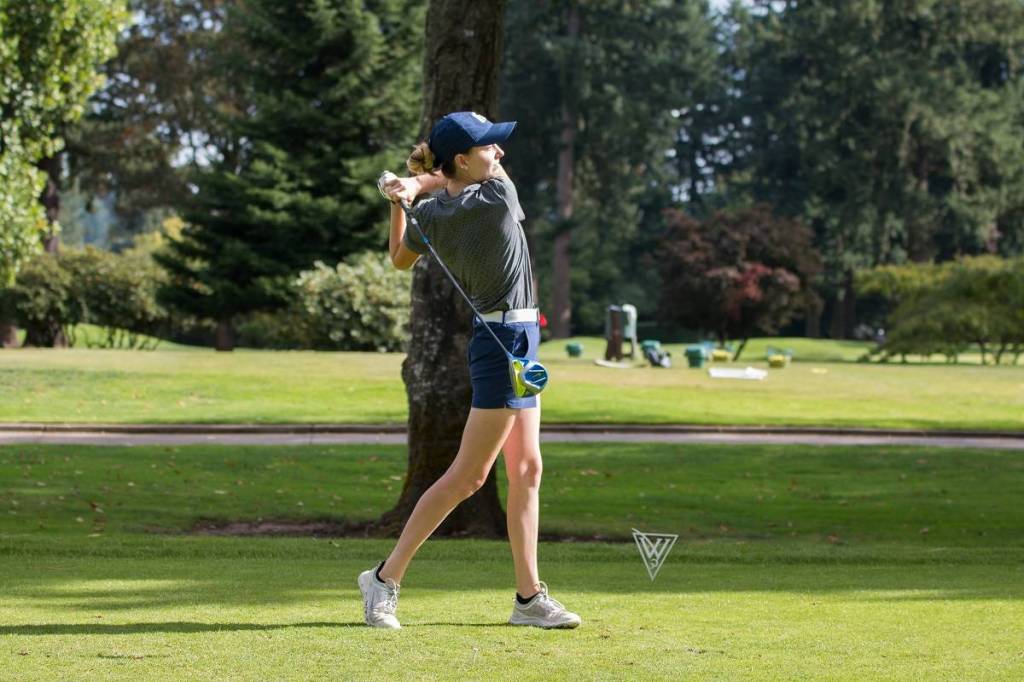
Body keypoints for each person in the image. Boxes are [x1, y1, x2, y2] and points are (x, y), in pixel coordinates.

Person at [357, 111, 581, 630]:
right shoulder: (498, 197)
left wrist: (404, 196)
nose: (499, 154)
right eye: (489, 149)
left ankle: (529, 599)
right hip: (504, 341)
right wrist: (414, 185)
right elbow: (449, 185)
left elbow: (397, 258)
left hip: (518, 340)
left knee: (528, 468)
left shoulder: (434, 214)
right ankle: (384, 580)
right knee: (469, 475)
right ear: (463, 159)